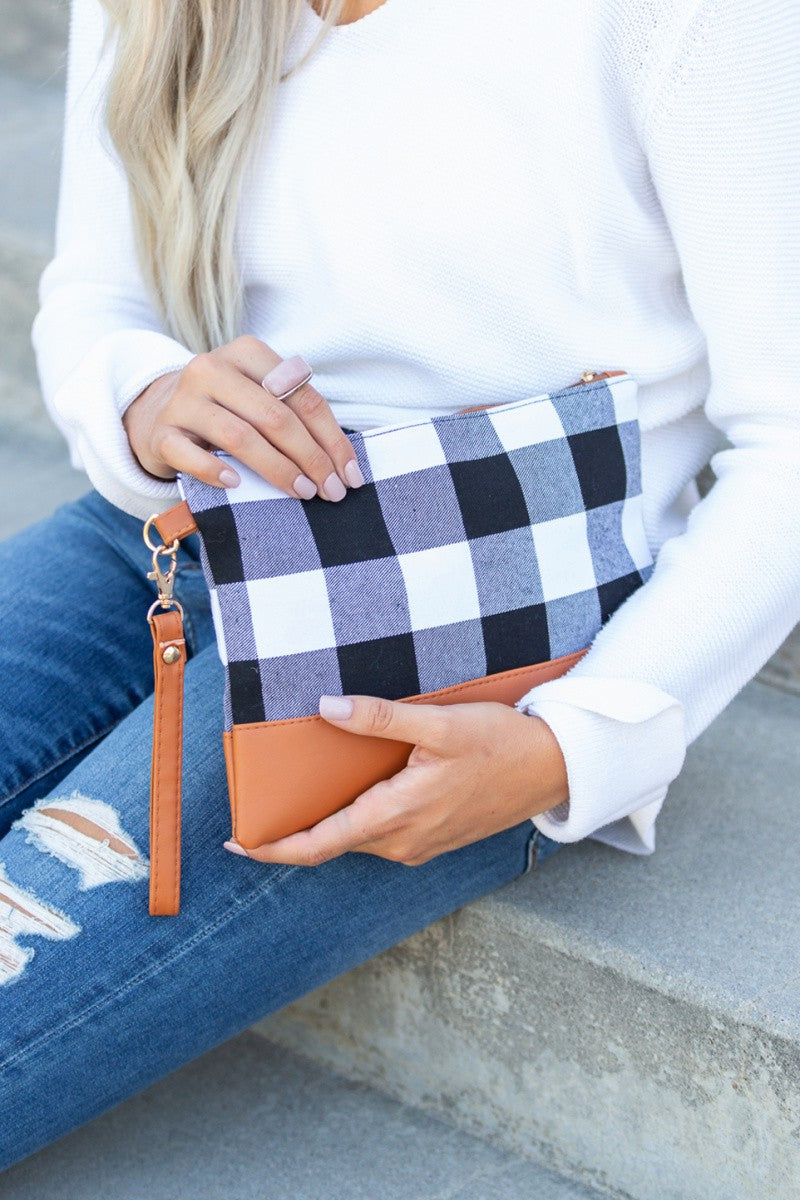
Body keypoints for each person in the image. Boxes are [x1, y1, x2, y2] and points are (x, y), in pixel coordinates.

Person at [1, 0, 798, 1170]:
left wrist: (572, 744)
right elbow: (96, 296)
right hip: (179, 527)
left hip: (464, 630)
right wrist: (140, 392)